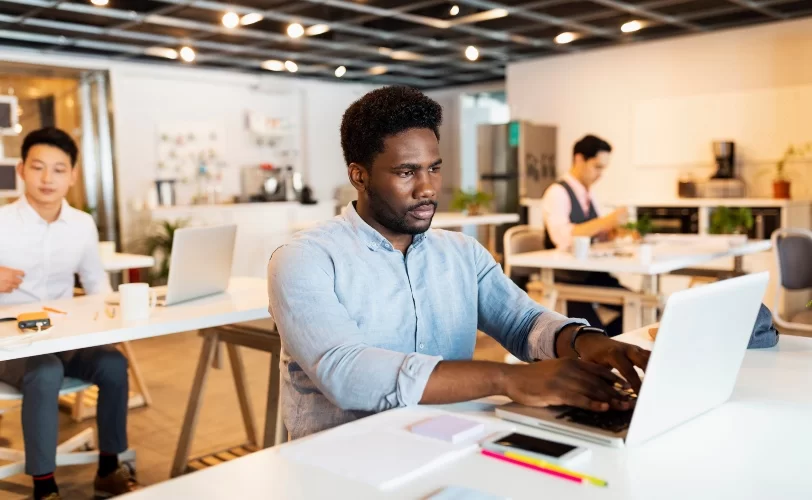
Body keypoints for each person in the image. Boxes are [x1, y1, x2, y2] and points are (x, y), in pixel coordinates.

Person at [267, 87, 650, 440]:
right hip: (342, 460)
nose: (428, 188)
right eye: (406, 172)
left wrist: (583, 341)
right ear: (359, 176)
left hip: (449, 438)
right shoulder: (304, 259)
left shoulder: (463, 253)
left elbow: (523, 322)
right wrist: (508, 378)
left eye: (434, 168)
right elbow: (346, 373)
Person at [0, 128, 139, 499]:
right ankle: (44, 487)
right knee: (45, 371)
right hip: (10, 344)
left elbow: (97, 284)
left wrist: (121, 316)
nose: (48, 179)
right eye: (39, 168)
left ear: (73, 175)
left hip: (64, 335)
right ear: (22, 169)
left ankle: (109, 468)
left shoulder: (81, 224)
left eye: (59, 170)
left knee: (113, 365)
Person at [540, 135, 630, 336]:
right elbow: (563, 238)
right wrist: (608, 220)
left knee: (639, 308)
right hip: (567, 280)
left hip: (592, 275)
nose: (600, 174)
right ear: (579, 159)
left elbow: (593, 232)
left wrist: (613, 231)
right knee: (597, 334)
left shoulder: (588, 194)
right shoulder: (557, 192)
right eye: (597, 167)